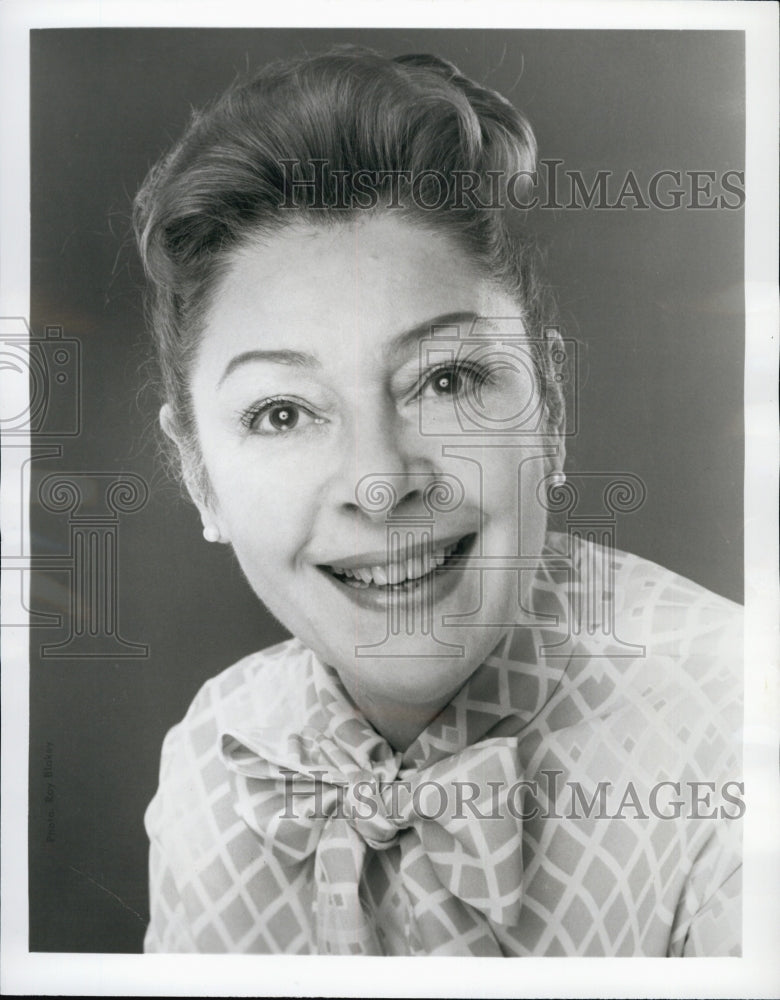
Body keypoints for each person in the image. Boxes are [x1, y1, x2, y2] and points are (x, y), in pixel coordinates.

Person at [135, 47, 742, 956]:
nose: (382, 483)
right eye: (283, 412)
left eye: (447, 379)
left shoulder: (742, 731)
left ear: (552, 405)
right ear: (197, 475)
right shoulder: (212, 756)